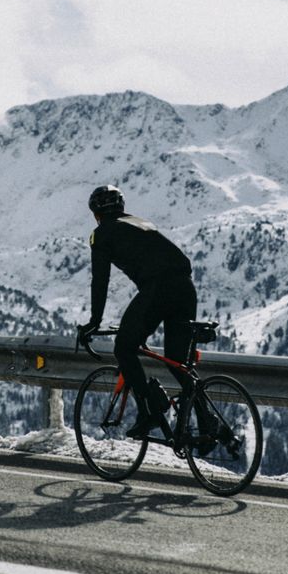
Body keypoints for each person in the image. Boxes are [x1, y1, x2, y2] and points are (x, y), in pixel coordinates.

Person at [77, 185, 197, 438]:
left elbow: (100, 280)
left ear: (96, 214)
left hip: (158, 289)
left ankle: (150, 411)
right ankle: (209, 425)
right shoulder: (140, 223)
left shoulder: (101, 235)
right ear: (121, 207)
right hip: (185, 288)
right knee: (178, 363)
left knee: (123, 348)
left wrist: (94, 321)